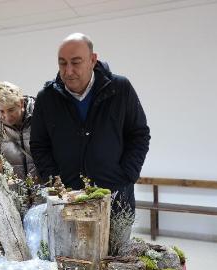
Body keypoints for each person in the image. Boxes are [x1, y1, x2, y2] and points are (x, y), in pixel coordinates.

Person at [30, 33, 150, 251]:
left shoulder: (120, 89)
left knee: (115, 263)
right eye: (62, 63)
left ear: (93, 60)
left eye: (76, 63)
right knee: (71, 262)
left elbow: (139, 134)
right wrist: (54, 181)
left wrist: (127, 174)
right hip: (67, 201)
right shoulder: (47, 98)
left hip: (116, 198)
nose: (68, 71)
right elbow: (39, 145)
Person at [0, 81, 37, 180]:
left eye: (11, 110)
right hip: (13, 193)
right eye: (1, 111)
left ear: (20, 103)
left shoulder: (41, 121)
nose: (7, 116)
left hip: (44, 190)